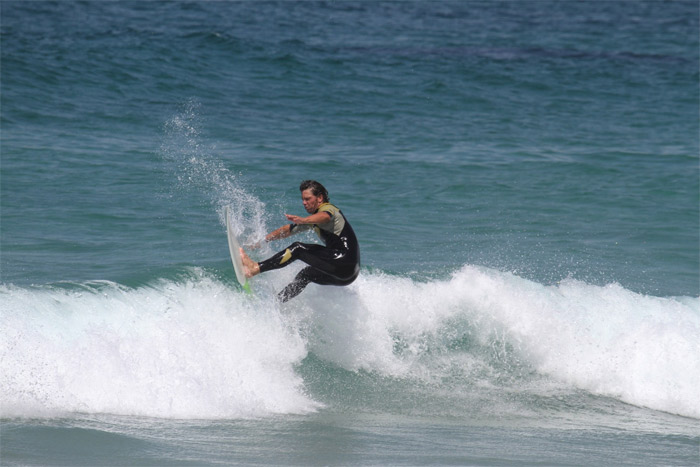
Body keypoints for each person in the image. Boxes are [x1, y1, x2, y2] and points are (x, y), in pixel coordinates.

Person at [240, 180, 360, 302]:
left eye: (308, 199)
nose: (304, 203)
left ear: (319, 198)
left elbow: (325, 216)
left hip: (344, 261)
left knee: (298, 249)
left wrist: (303, 220)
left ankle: (255, 268)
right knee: (306, 274)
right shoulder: (313, 219)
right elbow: (287, 230)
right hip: (348, 275)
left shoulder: (328, 209)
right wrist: (262, 241)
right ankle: (277, 302)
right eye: (303, 199)